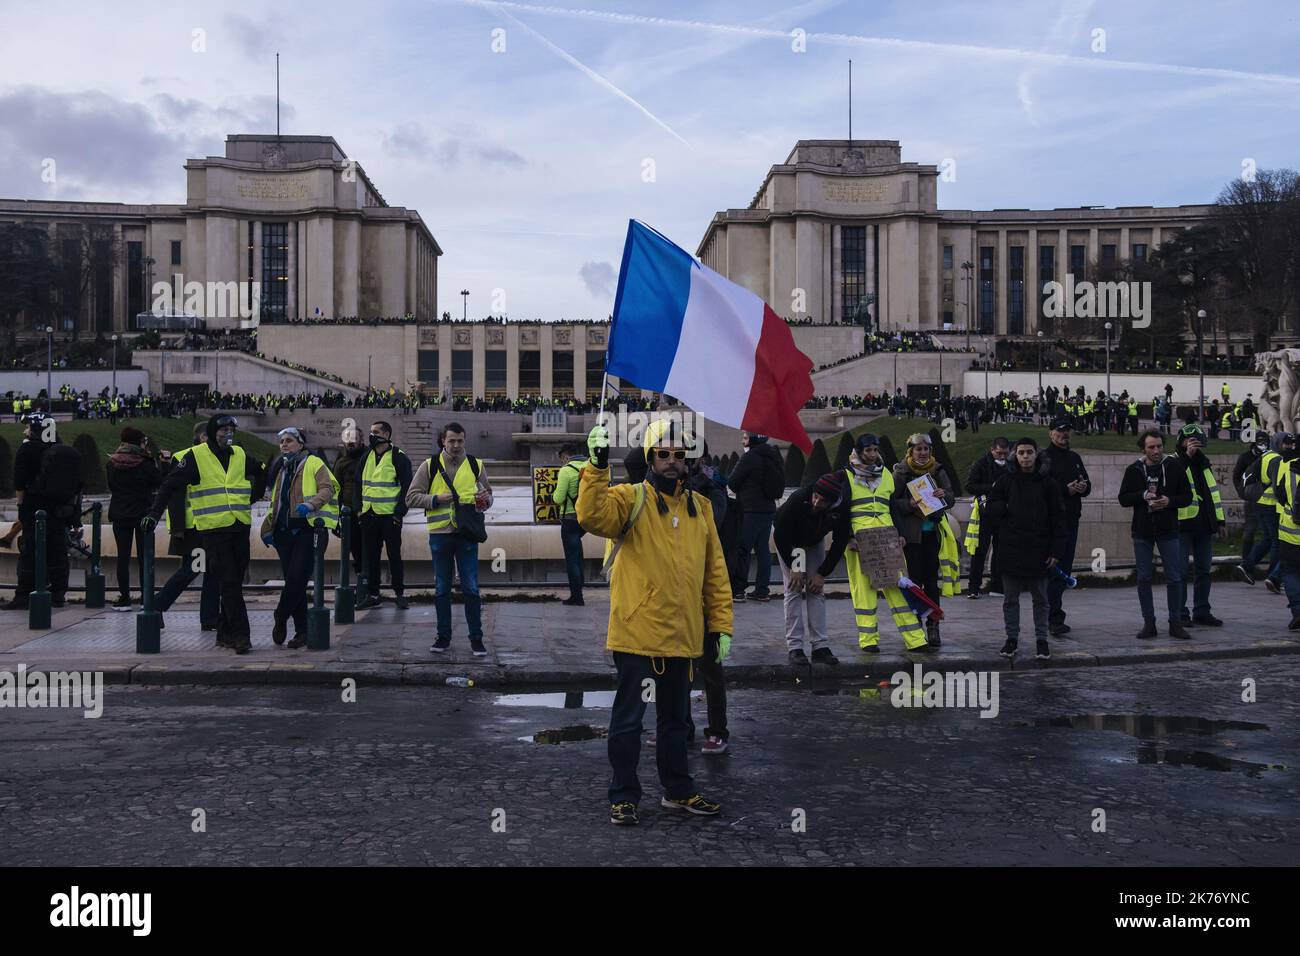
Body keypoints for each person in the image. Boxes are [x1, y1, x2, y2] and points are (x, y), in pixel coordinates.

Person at [578, 418, 731, 826]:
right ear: (649, 457)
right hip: (637, 635)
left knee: (676, 722)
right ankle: (624, 795)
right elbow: (591, 517)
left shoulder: (702, 508)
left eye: (679, 455)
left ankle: (677, 791)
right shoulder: (630, 498)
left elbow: (715, 572)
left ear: (687, 462)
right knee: (628, 722)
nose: (671, 461)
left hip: (683, 638)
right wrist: (595, 467)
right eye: (662, 453)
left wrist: (720, 626)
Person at [141, 414, 266, 653]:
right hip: (211, 530)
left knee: (233, 582)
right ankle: (241, 635)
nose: (228, 433)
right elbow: (169, 487)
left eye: (231, 429)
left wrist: (254, 496)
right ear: (209, 433)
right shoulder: (194, 457)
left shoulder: (238, 453)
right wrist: (154, 515)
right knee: (224, 580)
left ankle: (223, 632)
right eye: (223, 429)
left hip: (239, 526)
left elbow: (261, 471)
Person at [405, 422, 493, 655]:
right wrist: (436, 499)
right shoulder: (429, 465)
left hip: (466, 535)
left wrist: (485, 500)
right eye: (451, 440)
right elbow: (411, 498)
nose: (456, 445)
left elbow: (489, 495)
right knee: (442, 589)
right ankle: (443, 637)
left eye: (460, 441)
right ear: (443, 441)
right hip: (440, 535)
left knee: (471, 589)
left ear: (465, 441)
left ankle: (477, 638)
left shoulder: (476, 464)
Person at [842, 433, 930, 653]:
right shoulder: (845, 476)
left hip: (886, 538)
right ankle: (868, 639)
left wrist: (900, 533)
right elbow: (840, 512)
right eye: (868, 450)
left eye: (875, 450)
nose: (872, 455)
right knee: (863, 590)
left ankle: (915, 639)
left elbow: (892, 507)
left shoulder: (886, 475)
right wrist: (847, 537)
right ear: (859, 452)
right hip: (859, 541)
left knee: (898, 586)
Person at [986, 437, 1067, 660]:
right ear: (1015, 455)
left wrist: (1055, 551)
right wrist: (1006, 506)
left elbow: (1059, 518)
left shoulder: (1048, 483)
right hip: (1012, 549)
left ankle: (1042, 640)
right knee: (1010, 600)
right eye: (1021, 453)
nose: (1025, 457)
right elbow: (991, 507)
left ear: (1036, 454)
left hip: (1039, 550)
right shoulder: (1006, 481)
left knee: (1041, 600)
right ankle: (1011, 639)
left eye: (1029, 452)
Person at [259, 427, 339, 648]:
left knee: (297, 580)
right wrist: (266, 529)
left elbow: (328, 488)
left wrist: (311, 505)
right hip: (283, 533)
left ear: (301, 444)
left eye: (289, 441)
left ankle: (280, 614)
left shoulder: (313, 463)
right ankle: (302, 632)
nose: (284, 444)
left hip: (306, 530)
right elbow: (277, 502)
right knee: (295, 585)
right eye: (282, 441)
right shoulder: (282, 467)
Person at [1118, 430, 1192, 640]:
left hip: (1168, 529)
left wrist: (1169, 501)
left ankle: (1175, 622)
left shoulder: (1173, 466)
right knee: (1143, 577)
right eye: (1151, 447)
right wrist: (1142, 495)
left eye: (1159, 446)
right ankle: (1149, 622)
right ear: (1144, 448)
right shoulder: (1134, 469)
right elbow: (1123, 498)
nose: (1156, 451)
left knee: (1174, 577)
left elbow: (1187, 496)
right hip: (1142, 531)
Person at [1, 414, 79, 611]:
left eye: (27, 426)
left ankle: (24, 595)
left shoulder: (27, 448)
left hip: (34, 508)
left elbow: (19, 482)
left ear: (35, 429)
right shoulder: (59, 448)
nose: (25, 430)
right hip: (58, 509)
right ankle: (58, 594)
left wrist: (21, 507)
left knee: (29, 551)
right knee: (57, 551)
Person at [774, 471, 851, 665]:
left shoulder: (841, 508)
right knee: (794, 588)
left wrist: (821, 573)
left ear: (833, 502)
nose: (817, 503)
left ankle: (820, 646)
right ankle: (795, 647)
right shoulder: (799, 498)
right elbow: (781, 536)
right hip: (792, 541)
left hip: (814, 540)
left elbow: (840, 542)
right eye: (816, 497)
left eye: (823, 501)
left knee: (816, 590)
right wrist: (795, 566)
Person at [153, 422, 220, 630]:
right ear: (202, 437)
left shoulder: (208, 456)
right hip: (193, 526)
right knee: (193, 569)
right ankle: (157, 605)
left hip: (207, 524)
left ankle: (209, 618)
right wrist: (179, 527)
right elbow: (175, 494)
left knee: (210, 570)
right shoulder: (187, 456)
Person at [891, 432, 955, 646]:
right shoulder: (901, 472)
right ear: (911, 451)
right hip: (912, 536)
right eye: (918, 449)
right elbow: (892, 504)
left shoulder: (938, 469)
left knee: (931, 582)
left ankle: (933, 625)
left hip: (932, 533)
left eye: (926, 449)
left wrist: (942, 496)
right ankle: (915, 625)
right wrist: (909, 504)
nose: (923, 453)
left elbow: (951, 498)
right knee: (915, 582)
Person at [1038, 417, 1090, 636]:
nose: (1064, 435)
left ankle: (1054, 614)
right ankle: (1051, 617)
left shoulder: (1074, 457)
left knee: (1064, 570)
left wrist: (1082, 486)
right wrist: (1064, 490)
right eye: (1060, 431)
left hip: (1071, 520)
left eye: (1067, 431)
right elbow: (1040, 487)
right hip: (1050, 524)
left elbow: (1087, 486)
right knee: (1053, 569)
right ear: (1051, 433)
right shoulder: (1044, 458)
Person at [355, 421, 412, 610]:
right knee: (371, 557)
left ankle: (399, 593)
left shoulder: (399, 457)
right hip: (369, 515)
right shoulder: (366, 457)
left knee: (394, 556)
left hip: (390, 517)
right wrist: (359, 510)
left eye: (376, 432)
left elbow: (408, 489)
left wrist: (399, 513)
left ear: (387, 434)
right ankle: (373, 594)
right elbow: (358, 485)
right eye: (371, 432)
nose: (372, 435)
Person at [105, 426, 162, 610]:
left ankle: (124, 597)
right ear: (139, 442)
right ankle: (146, 597)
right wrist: (162, 462)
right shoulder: (145, 463)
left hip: (120, 512)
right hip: (142, 512)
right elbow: (158, 482)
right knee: (144, 557)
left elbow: (112, 486)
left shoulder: (112, 463)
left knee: (123, 556)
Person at [1174, 424, 1225, 628]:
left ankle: (1202, 611)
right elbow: (1175, 478)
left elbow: (1214, 494)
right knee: (1180, 571)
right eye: (1189, 440)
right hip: (1182, 524)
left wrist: (1220, 522)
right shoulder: (1174, 461)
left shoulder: (1204, 463)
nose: (1193, 444)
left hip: (1204, 525)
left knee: (1204, 570)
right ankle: (1180, 613)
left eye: (1196, 440)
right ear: (1181, 442)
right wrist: (1187, 455)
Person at [726, 431, 783, 602]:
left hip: (749, 510)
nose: (743, 440)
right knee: (763, 550)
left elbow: (733, 482)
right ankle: (762, 590)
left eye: (745, 437)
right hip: (768, 510)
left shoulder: (749, 457)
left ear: (751, 440)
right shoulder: (773, 455)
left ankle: (738, 590)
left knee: (742, 549)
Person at [1240, 432, 1292, 592]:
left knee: (1268, 539)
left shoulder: (1268, 455)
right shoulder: (1277, 459)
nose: (1289, 446)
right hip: (1271, 505)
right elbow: (1278, 486)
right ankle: (1273, 577)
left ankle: (1246, 565)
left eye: (1291, 444)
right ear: (1278, 443)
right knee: (1277, 541)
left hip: (1260, 502)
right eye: (1286, 443)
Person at [965, 437, 1011, 598]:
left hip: (1004, 514)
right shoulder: (981, 464)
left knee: (1001, 551)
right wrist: (991, 487)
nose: (1002, 457)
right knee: (979, 551)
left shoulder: (1011, 465)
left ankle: (997, 586)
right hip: (985, 514)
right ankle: (973, 588)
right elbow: (970, 485)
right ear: (992, 450)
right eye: (999, 453)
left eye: (1005, 453)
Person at [551, 443, 587, 606]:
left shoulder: (566, 470)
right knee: (578, 553)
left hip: (570, 518)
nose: (562, 463)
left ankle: (576, 595)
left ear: (565, 456)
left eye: (562, 459)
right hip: (586, 518)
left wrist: (554, 495)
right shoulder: (589, 467)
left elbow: (558, 498)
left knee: (572, 558)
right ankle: (581, 583)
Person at [1233, 432, 1271, 583]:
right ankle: (1246, 563)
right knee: (1250, 532)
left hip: (1268, 501)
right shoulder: (1245, 457)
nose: (1263, 444)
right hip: (1252, 500)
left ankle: (1249, 565)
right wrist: (1243, 492)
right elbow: (1236, 476)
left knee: (1269, 536)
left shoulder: (1269, 456)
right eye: (1260, 441)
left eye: (1265, 441)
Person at [331, 427, 366, 579]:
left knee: (370, 550)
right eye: (347, 438)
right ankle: (361, 580)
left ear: (361, 440)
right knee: (356, 549)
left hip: (368, 511)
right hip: (349, 514)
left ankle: (370, 586)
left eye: (354, 438)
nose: (350, 442)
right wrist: (335, 520)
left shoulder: (370, 457)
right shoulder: (341, 463)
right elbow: (335, 491)